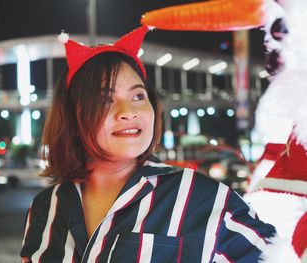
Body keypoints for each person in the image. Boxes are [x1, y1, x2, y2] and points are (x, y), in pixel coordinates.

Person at [20, 26, 275, 263]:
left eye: (138, 96)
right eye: (105, 100)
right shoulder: (45, 207)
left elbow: (281, 255)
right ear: (73, 115)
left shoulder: (203, 198)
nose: (128, 111)